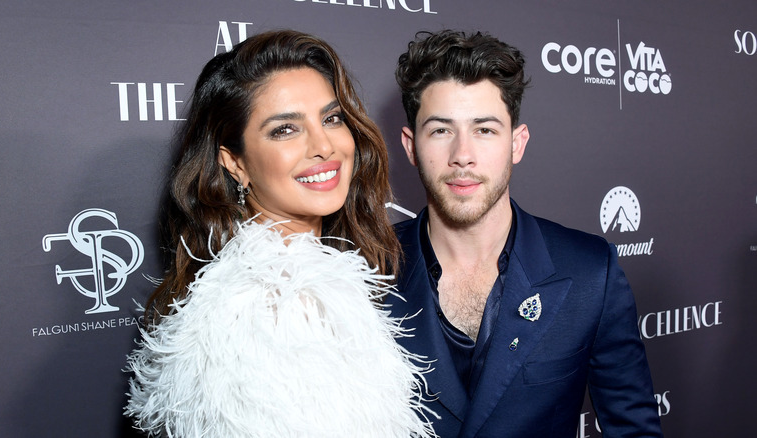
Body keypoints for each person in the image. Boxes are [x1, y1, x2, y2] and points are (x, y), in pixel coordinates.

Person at [125, 30, 434, 438]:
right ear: (235, 163)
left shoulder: (309, 281)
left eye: (332, 118)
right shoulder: (269, 303)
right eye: (285, 129)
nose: (324, 145)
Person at [386, 29, 663, 437]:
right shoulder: (364, 270)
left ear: (517, 143)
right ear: (411, 146)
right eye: (441, 130)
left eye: (485, 130)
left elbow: (634, 429)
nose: (463, 155)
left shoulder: (589, 272)